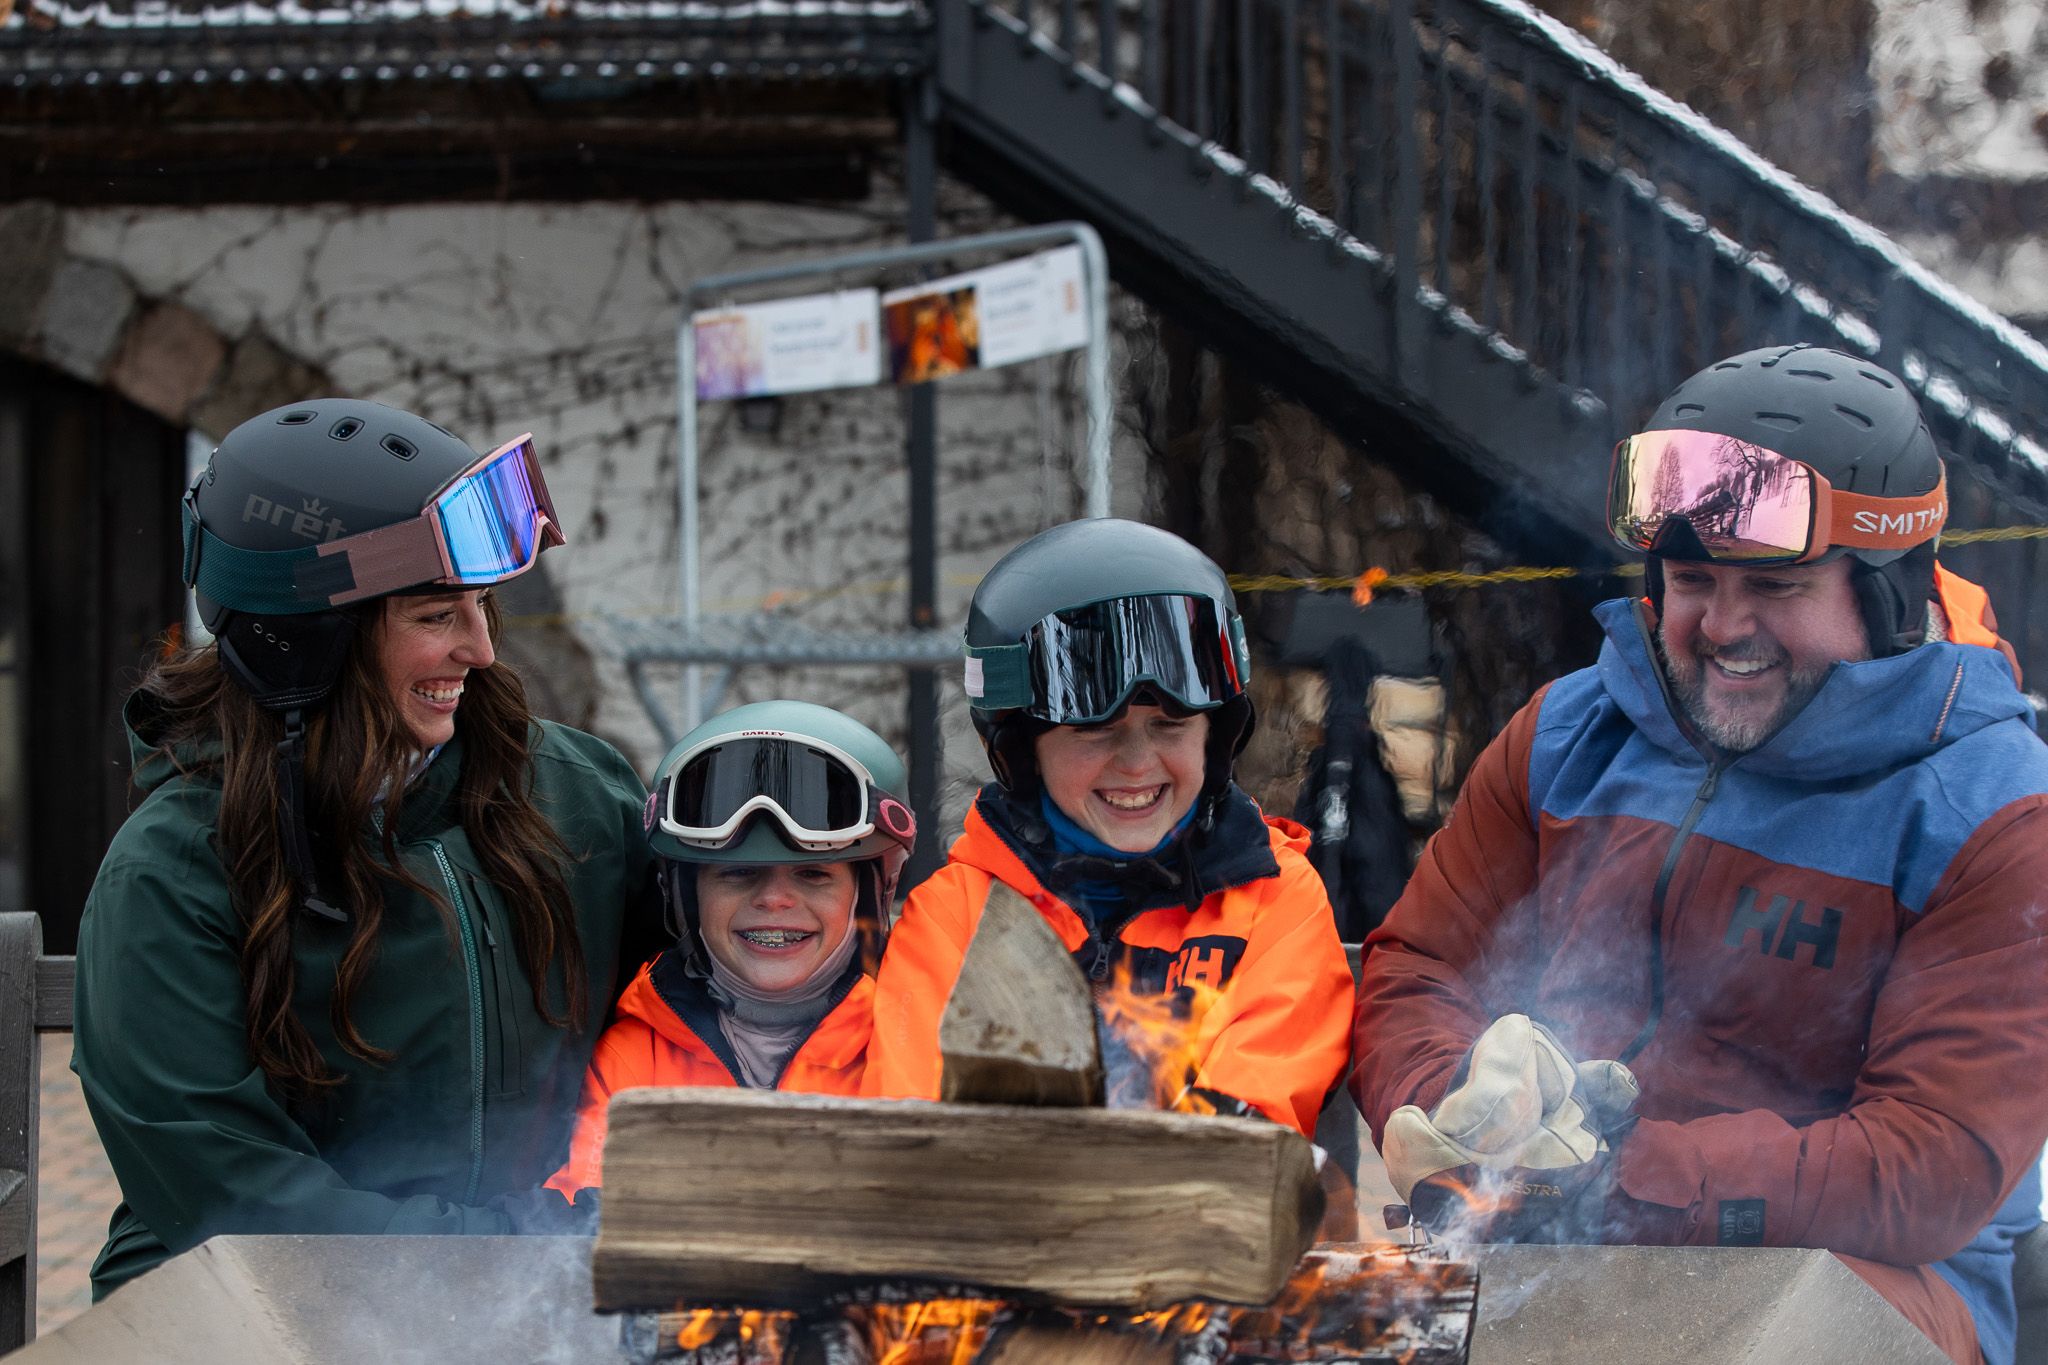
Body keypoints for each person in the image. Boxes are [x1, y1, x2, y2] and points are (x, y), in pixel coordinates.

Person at [1351, 344, 2048, 1365]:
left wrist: (1619, 1181)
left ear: (1884, 593)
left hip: (1866, 1287)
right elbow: (1416, 967)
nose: (1722, 626)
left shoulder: (1990, 813)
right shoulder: (1567, 734)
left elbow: (1927, 1167)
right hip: (1547, 1251)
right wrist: (1464, 1105)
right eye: (1689, 580)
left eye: (1772, 586)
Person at [74, 399, 659, 1295]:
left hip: (537, 1284)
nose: (481, 650)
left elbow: (703, 1004)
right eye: (435, 614)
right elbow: (233, 1196)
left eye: (481, 605)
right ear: (308, 639)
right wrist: (507, 1259)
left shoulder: (576, 793)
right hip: (254, 1306)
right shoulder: (174, 869)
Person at [866, 518, 1354, 1137]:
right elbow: (915, 1129)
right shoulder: (957, 916)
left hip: (1206, 1225)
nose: (1136, 762)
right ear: (1022, 749)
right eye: (1095, 730)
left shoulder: (1274, 899)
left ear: (1218, 737)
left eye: (1169, 725)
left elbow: (1250, 1125)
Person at [545, 700, 916, 1200]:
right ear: (685, 896)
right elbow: (583, 1226)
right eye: (738, 873)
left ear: (875, 891)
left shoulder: (919, 1043)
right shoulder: (634, 1062)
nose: (773, 899)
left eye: (813, 875)